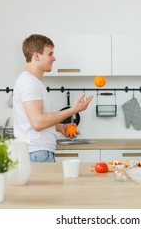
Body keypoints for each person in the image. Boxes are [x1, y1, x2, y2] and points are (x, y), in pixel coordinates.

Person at [13, 34, 93, 163]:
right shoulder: (29, 82)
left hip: (38, 152)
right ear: (36, 56)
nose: (54, 58)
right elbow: (38, 122)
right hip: (37, 153)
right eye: (50, 54)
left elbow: (36, 120)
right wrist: (73, 110)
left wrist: (60, 127)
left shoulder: (32, 82)